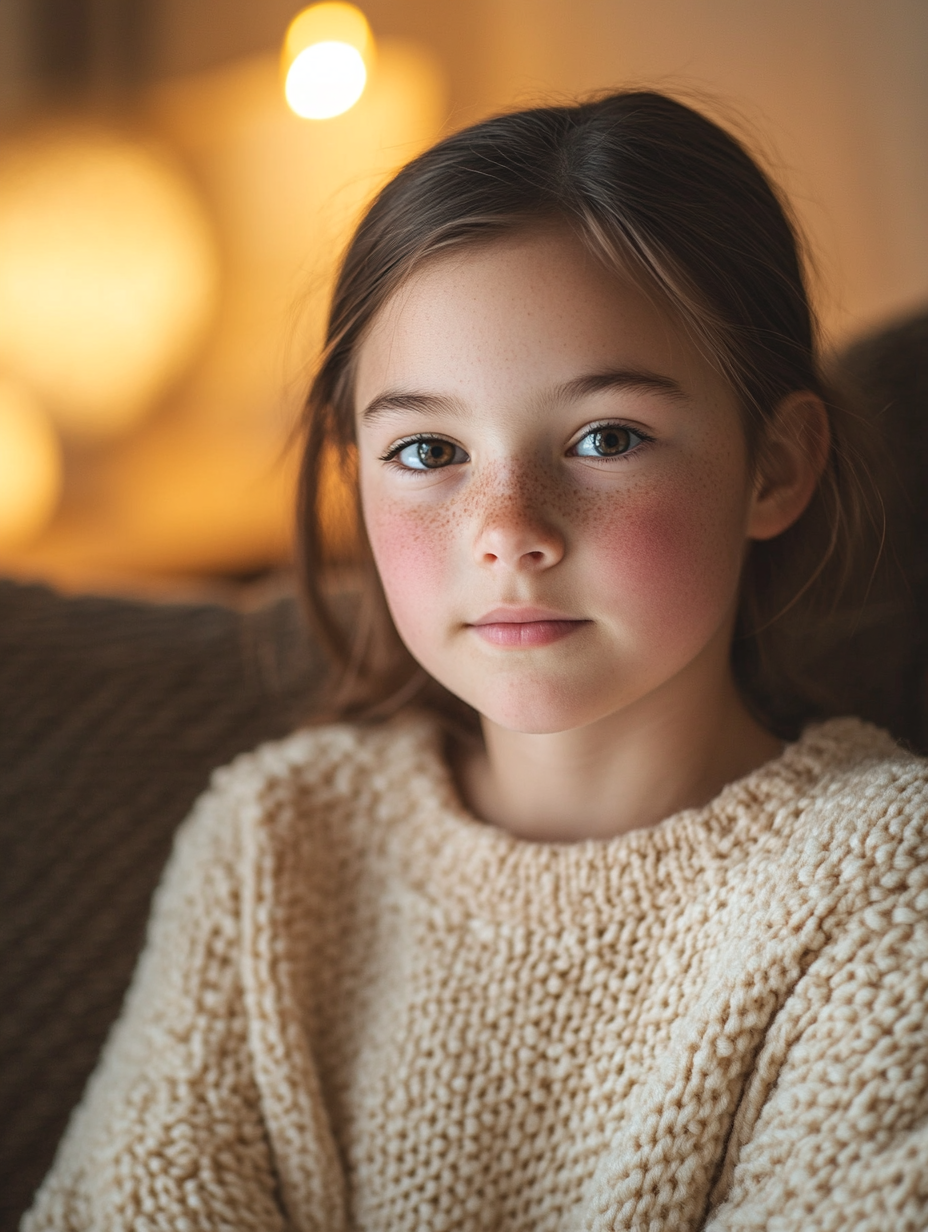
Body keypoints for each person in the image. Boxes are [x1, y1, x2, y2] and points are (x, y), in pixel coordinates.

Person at [24, 91, 928, 1232]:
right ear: (357, 474)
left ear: (775, 467)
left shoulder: (880, 877)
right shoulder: (275, 847)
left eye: (606, 437)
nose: (507, 526)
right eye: (429, 450)